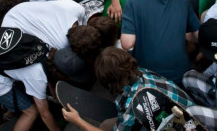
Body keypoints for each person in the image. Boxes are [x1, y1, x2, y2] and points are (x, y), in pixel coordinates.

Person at [61, 46, 195, 131]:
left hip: (182, 125)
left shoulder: (132, 104)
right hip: (194, 117)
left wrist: (78, 121)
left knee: (105, 126)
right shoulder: (143, 72)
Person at [121, 0, 200, 84]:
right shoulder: (182, 1)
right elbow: (197, 36)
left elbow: (127, 43)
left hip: (149, 75)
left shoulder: (133, 3)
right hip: (180, 74)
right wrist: (178, 34)